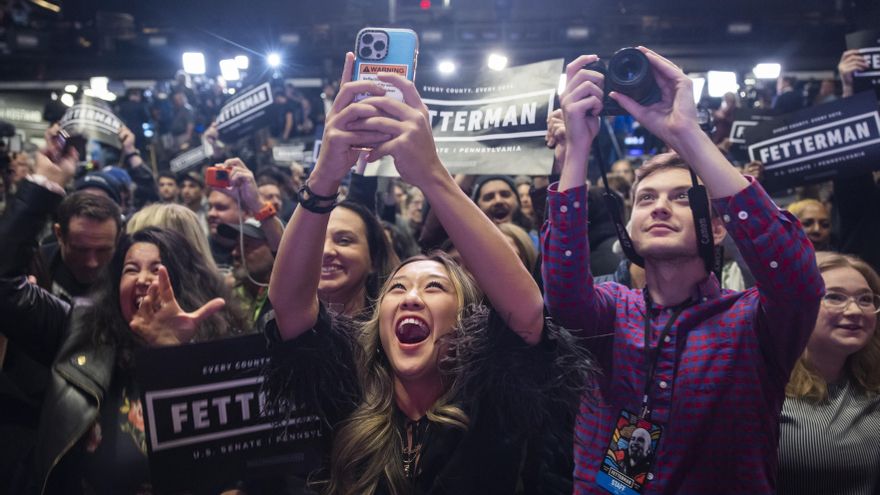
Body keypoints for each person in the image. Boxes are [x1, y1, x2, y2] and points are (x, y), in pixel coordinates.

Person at [264, 54, 591, 494]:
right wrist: (325, 174)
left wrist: (432, 175)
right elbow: (289, 305)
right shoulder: (348, 396)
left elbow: (527, 312)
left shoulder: (495, 405)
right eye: (397, 288)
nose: (410, 297)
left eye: (434, 287)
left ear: (468, 322)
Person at [543, 47, 823, 493]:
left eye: (679, 198)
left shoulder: (751, 319)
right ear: (628, 229)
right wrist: (577, 150)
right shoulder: (612, 309)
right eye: (646, 199)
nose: (659, 208)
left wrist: (688, 135)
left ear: (717, 224)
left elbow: (798, 281)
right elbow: (563, 293)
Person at [0, 146, 247, 494]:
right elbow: (4, 287)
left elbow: (235, 466)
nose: (144, 279)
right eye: (131, 269)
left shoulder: (217, 351)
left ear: (184, 284)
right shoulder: (80, 329)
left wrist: (172, 356)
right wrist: (43, 187)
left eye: (157, 269)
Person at [777, 252, 880, 495]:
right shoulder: (767, 387)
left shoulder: (871, 385)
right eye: (835, 297)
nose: (855, 310)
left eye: (865, 299)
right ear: (798, 305)